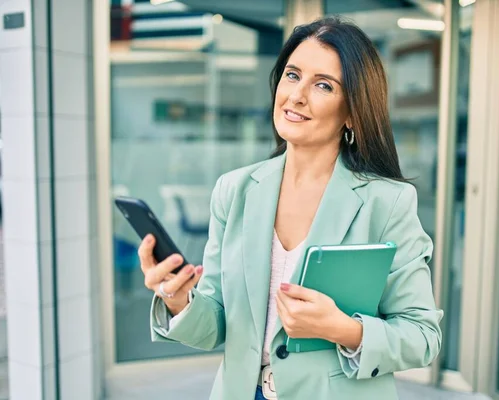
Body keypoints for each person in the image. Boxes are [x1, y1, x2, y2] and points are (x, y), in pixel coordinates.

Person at [139, 16, 443, 400]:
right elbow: (216, 324)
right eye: (292, 75)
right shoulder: (235, 190)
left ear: (352, 112)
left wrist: (342, 328)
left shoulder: (387, 202)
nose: (297, 96)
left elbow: (422, 335)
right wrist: (177, 297)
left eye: (323, 85)